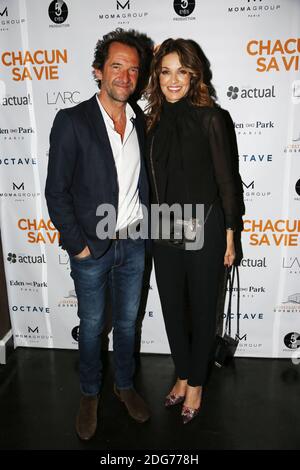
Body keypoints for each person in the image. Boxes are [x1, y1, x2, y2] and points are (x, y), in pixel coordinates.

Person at [45, 28, 153, 440]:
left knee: (127, 324)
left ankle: (123, 386)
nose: (125, 77)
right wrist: (80, 247)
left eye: (133, 69)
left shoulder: (139, 120)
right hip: (92, 247)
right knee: (92, 326)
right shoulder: (71, 122)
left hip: (134, 241)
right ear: (98, 71)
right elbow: (56, 192)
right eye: (116, 66)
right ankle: (90, 393)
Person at [145, 38, 239, 424]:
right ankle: (182, 374)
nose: (173, 80)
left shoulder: (212, 118)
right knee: (171, 309)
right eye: (165, 71)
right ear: (157, 76)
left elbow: (228, 181)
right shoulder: (151, 120)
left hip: (207, 224)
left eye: (181, 71)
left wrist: (231, 234)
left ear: (194, 74)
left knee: (201, 309)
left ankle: (197, 383)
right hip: (165, 223)